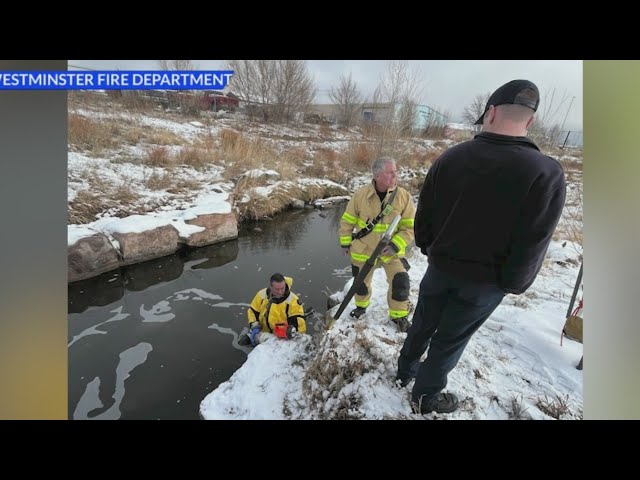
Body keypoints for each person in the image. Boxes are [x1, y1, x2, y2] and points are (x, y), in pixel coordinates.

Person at [396, 79, 566, 414]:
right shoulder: (545, 172)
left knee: (423, 323)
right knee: (450, 339)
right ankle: (424, 396)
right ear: (530, 120)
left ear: (489, 113)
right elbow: (533, 240)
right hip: (485, 283)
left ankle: (405, 372)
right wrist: (513, 283)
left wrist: (430, 249)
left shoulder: (451, 158)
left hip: (440, 268)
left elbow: (424, 216)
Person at [339, 157, 416, 331]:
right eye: (390, 172)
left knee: (400, 282)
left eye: (395, 171)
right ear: (378, 175)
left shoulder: (403, 197)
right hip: (363, 250)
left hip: (391, 251)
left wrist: (395, 245)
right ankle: (361, 307)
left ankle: (399, 316)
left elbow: (409, 227)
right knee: (360, 284)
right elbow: (347, 221)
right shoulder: (360, 195)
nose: (395, 175)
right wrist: (345, 243)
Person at [239, 273, 307, 347]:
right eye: (277, 289)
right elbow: (252, 311)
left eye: (282, 288)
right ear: (271, 287)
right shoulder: (261, 295)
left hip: (281, 337)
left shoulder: (293, 301)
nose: (280, 292)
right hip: (261, 331)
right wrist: (254, 325)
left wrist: (291, 335)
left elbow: (299, 326)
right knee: (242, 342)